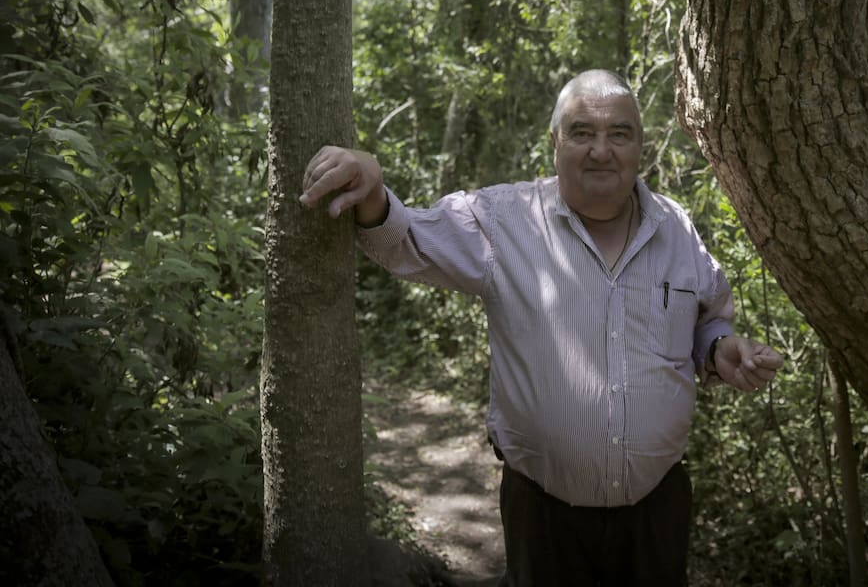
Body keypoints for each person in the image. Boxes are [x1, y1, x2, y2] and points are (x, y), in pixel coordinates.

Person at [299, 69, 783, 586]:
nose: (602, 150)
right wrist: (370, 182)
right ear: (554, 143)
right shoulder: (504, 220)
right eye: (582, 132)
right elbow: (406, 240)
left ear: (640, 144)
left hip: (657, 509)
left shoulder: (677, 228)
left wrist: (719, 348)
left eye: (619, 133)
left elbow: (708, 319)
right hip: (544, 514)